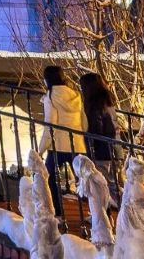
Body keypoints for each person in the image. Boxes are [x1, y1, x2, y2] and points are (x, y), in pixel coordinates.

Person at [41, 64, 87, 211]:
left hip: (58, 145)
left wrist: (41, 148)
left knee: (49, 177)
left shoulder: (50, 96)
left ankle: (58, 211)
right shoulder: (75, 94)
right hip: (78, 144)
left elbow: (50, 125)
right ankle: (98, 214)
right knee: (85, 181)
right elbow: (84, 122)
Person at [79, 71, 120, 190]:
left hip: (101, 151)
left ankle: (117, 207)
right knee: (111, 185)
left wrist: (89, 148)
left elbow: (96, 129)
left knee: (103, 187)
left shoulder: (94, 106)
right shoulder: (107, 101)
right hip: (113, 149)